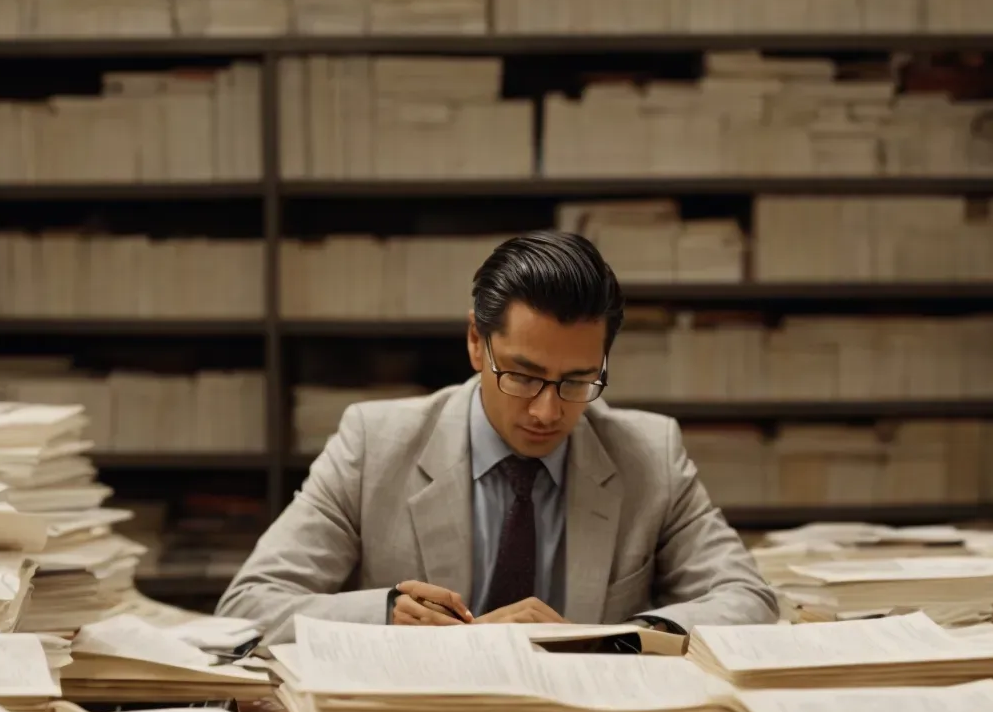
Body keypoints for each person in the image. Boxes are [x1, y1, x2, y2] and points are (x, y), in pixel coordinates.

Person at [218, 230, 778, 643]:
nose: (546, 410)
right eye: (523, 375)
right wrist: (387, 616)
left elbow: (749, 600)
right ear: (474, 343)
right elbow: (246, 609)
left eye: (578, 381)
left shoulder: (650, 453)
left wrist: (611, 640)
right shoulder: (374, 443)